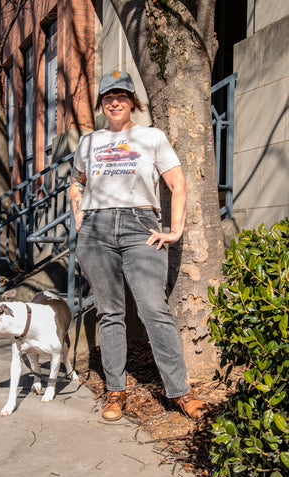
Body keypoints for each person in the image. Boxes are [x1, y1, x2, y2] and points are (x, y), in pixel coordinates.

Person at [69, 70, 206, 421]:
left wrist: (174, 231)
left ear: (132, 101)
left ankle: (179, 391)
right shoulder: (89, 142)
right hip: (96, 229)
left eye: (121, 96)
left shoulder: (152, 137)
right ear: (102, 103)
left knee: (152, 310)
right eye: (108, 97)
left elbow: (178, 185)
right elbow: (76, 183)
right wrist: (78, 214)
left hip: (140, 226)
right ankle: (115, 390)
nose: (114, 102)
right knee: (110, 312)